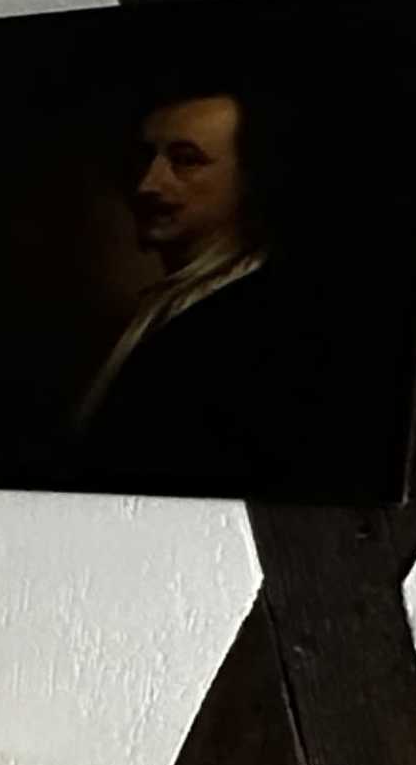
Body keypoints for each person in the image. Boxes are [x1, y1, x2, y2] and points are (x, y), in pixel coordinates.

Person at [68, 84, 340, 495]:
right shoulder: (168, 308)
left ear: (250, 178)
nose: (148, 184)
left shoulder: (259, 326)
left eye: (185, 161)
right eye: (146, 159)